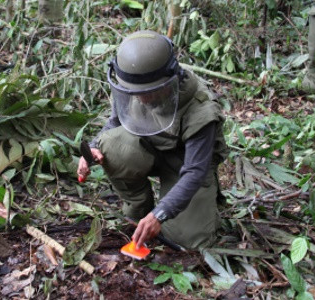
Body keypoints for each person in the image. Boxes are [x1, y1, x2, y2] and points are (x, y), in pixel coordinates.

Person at [77, 30, 228, 251]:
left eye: (148, 92)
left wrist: (160, 214)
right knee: (109, 146)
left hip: (185, 165)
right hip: (148, 148)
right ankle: (139, 206)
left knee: (189, 240)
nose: (139, 98)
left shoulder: (200, 109)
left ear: (169, 80)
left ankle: (185, 210)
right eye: (134, 92)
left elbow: (195, 171)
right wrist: (92, 148)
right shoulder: (130, 86)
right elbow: (115, 122)